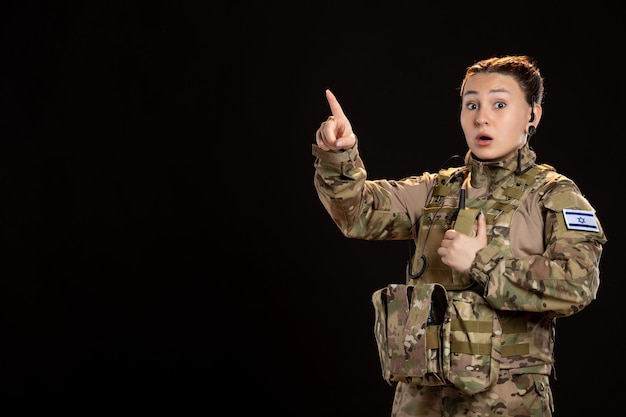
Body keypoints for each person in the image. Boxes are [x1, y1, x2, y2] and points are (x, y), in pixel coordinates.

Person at [311, 55, 607, 417]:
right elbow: (357, 213)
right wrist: (339, 156)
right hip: (420, 400)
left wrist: (482, 263)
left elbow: (579, 285)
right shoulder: (437, 189)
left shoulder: (554, 195)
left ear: (533, 114)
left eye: (499, 104)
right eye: (471, 104)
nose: (482, 117)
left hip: (507, 403)